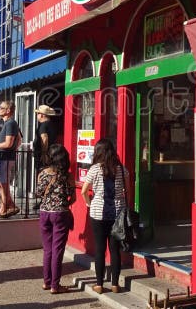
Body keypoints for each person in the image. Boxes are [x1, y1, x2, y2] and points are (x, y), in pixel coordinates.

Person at [81, 138, 128, 294]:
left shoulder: (94, 169)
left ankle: (100, 284)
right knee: (115, 250)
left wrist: (89, 203)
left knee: (100, 249)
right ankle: (115, 284)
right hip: (117, 213)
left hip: (98, 213)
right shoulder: (121, 169)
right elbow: (127, 190)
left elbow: (84, 191)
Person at [38, 144, 76, 294]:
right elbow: (72, 198)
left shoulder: (42, 174)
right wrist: (63, 203)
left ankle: (46, 282)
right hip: (60, 214)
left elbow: (38, 193)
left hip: (44, 213)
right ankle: (55, 285)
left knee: (47, 249)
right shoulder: (67, 176)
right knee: (57, 250)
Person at [0, 100, 21, 218]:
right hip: (1, 157)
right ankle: (7, 205)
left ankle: (5, 207)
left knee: (2, 183)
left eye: (1, 107)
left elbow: (8, 143)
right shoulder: (8, 123)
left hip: (4, 157)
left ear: (8, 110)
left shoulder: (11, 123)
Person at [33, 104, 59, 172]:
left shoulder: (43, 125)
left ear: (42, 115)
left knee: (42, 174)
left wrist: (44, 153)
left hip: (44, 156)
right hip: (51, 153)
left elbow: (44, 138)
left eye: (38, 113)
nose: (37, 115)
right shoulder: (52, 124)